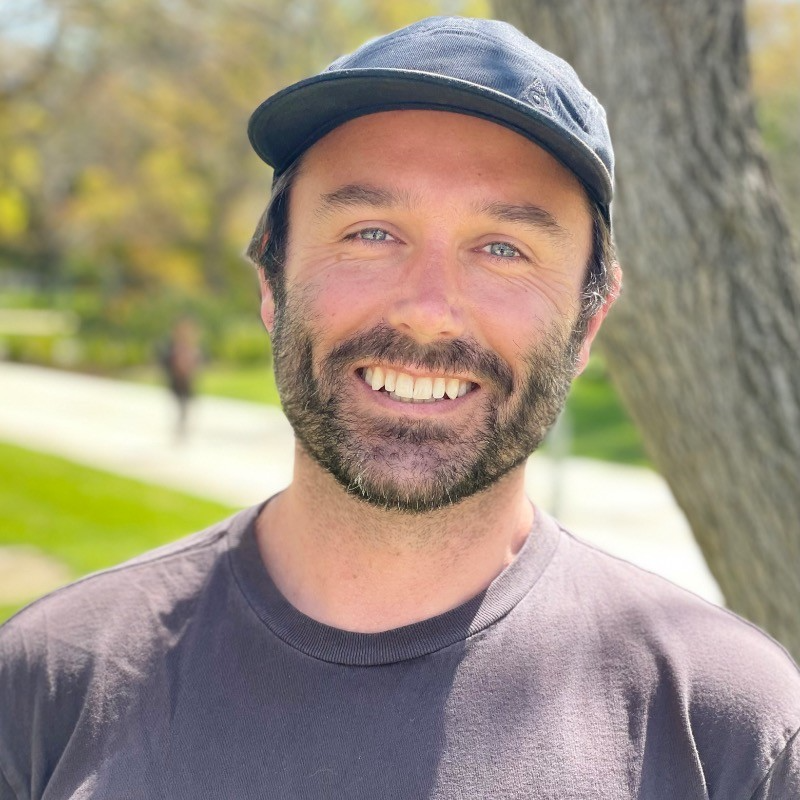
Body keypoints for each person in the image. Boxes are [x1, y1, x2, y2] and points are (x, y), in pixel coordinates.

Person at [1, 17, 798, 799]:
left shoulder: (731, 736)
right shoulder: (49, 683)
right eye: (371, 233)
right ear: (273, 281)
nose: (427, 311)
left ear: (588, 322)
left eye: (503, 248)